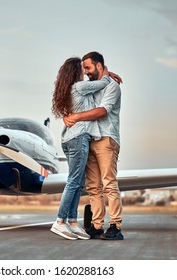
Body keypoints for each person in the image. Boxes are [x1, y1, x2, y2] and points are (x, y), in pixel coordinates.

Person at [64, 51, 124, 240]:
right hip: (89, 138)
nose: (86, 72)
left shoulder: (112, 87)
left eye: (88, 68)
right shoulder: (92, 85)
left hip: (106, 138)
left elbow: (102, 111)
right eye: (84, 69)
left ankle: (115, 225)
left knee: (109, 183)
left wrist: (76, 117)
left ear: (99, 66)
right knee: (93, 187)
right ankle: (97, 225)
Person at [50, 57, 111, 240]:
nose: (84, 72)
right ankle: (60, 222)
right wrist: (108, 72)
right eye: (81, 69)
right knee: (74, 181)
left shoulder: (68, 89)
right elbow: (104, 82)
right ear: (76, 71)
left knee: (78, 182)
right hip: (78, 138)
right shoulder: (79, 87)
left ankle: (72, 222)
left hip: (70, 138)